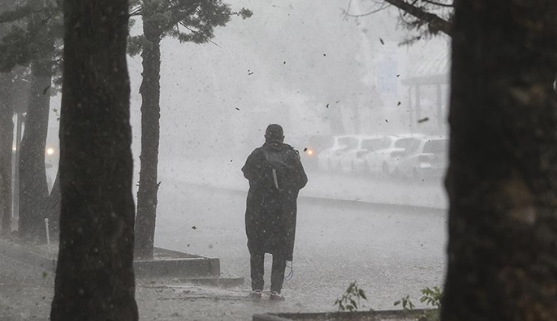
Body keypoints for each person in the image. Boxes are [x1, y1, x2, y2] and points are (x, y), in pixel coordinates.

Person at [242, 124, 308, 301]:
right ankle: (276, 290)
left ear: (265, 136)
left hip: (258, 211)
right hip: (283, 213)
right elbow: (302, 180)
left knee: (257, 249)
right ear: (283, 138)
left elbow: (246, 173)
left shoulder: (257, 154)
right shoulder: (291, 156)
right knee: (280, 250)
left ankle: (257, 288)